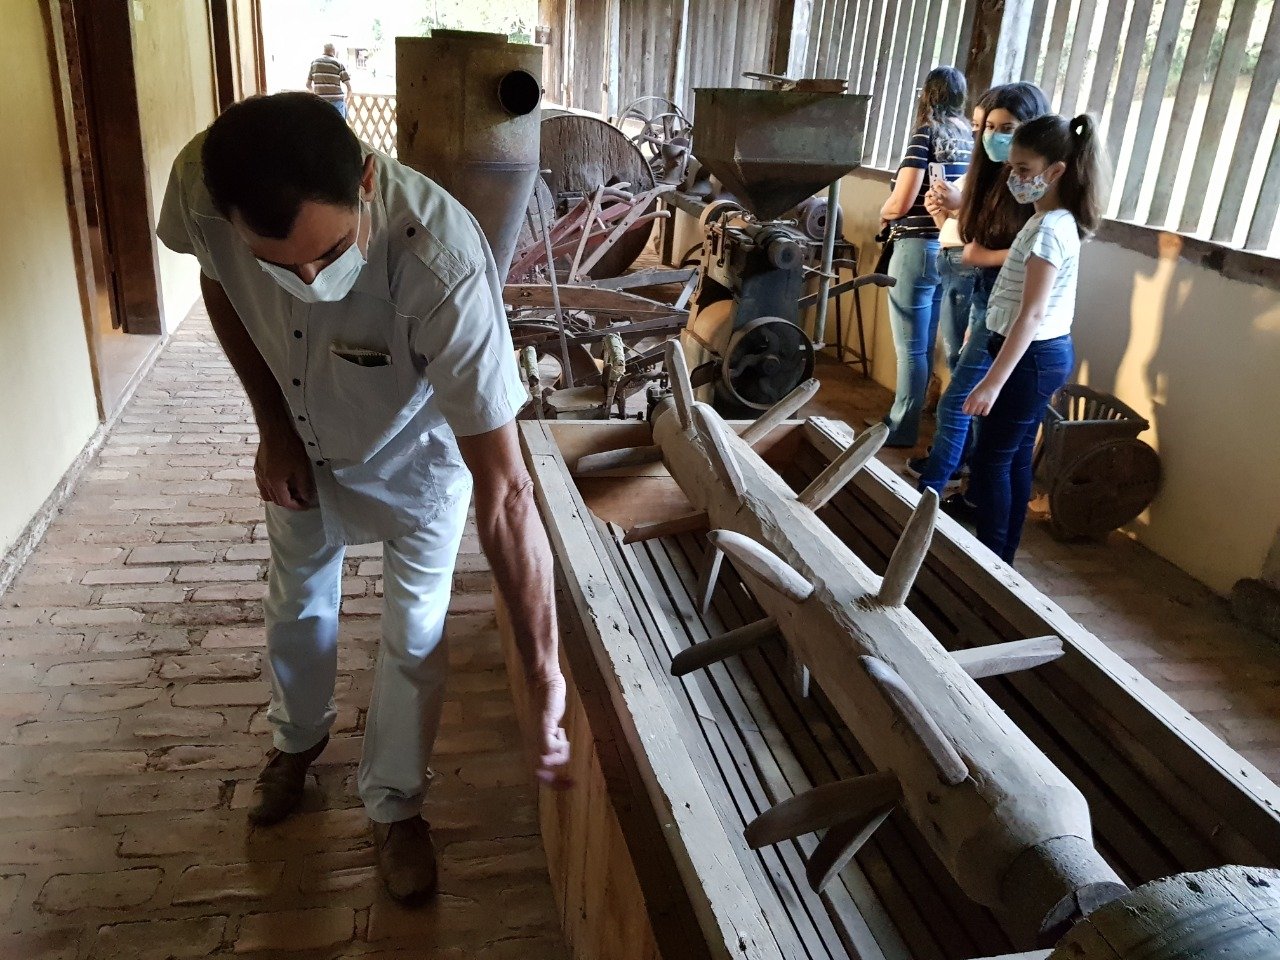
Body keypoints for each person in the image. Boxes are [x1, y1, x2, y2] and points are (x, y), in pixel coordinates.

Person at [155, 92, 570, 904]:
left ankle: (395, 805)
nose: (308, 280)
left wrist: (544, 663)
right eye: (280, 264)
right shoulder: (201, 191)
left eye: (331, 252)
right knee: (298, 601)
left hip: (417, 456)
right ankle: (295, 745)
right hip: (300, 434)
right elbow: (219, 282)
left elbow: (508, 487)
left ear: (370, 182)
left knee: (414, 632)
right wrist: (271, 421)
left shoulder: (441, 258)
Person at [962, 114, 1108, 562]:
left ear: (1057, 171)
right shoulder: (1050, 220)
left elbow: (1032, 314)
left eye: (1024, 170)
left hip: (1032, 358)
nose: (1014, 178)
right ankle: (1002, 554)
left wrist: (992, 382)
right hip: (1039, 355)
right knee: (1015, 454)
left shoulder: (1049, 229)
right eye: (1013, 168)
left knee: (990, 461)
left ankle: (991, 560)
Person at [909, 83, 1052, 500]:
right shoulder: (989, 171)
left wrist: (981, 255)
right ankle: (961, 477)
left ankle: (930, 492)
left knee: (958, 401)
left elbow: (1029, 252)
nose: (991, 135)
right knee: (964, 392)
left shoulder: (1034, 186)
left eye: (1004, 127)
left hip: (1003, 305)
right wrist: (950, 215)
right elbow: (971, 238)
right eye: (985, 126)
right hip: (974, 293)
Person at [876, 66, 971, 448]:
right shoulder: (969, 137)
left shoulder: (926, 134)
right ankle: (946, 436)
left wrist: (884, 210)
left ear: (927, 95)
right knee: (942, 343)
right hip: (950, 247)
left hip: (915, 248)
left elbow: (902, 200)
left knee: (912, 347)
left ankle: (901, 427)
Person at [306, 43, 353, 118]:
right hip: (337, 103)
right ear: (333, 51)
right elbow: (349, 87)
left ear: (323, 51)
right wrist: (346, 100)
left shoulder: (314, 63)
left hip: (320, 102)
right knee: (339, 127)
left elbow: (308, 85)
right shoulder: (338, 63)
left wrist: (315, 94)